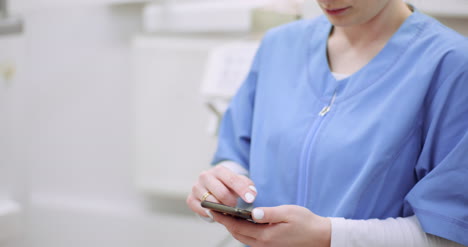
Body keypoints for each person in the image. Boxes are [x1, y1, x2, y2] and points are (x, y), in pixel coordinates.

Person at [186, 0, 468, 246]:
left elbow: (450, 234)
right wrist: (221, 186)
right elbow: (237, 155)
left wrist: (330, 236)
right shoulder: (278, 45)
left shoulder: (450, 66)